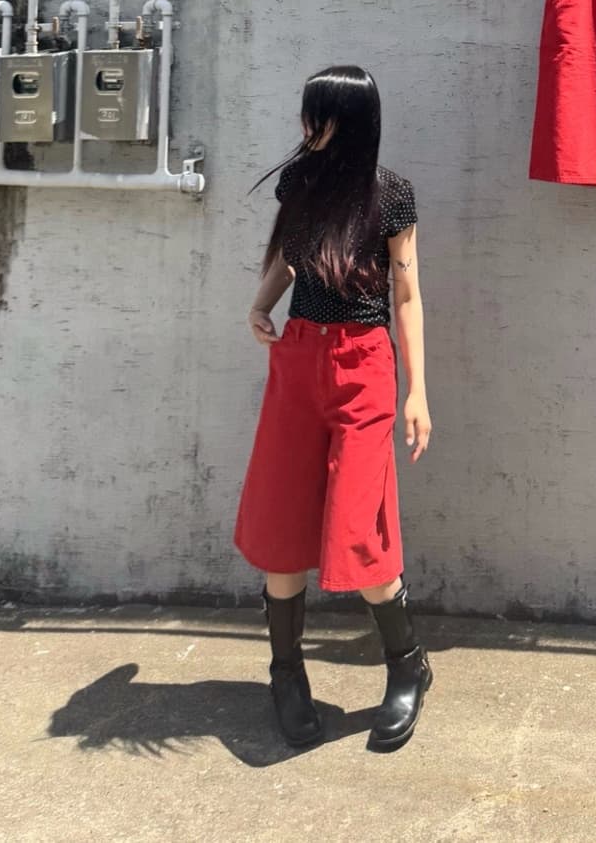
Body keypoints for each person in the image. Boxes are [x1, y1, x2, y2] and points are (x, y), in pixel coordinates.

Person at [234, 65, 433, 752]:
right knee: (282, 522)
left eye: (315, 114)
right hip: (298, 359)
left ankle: (407, 665)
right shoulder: (299, 182)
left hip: (362, 366)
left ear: (347, 121)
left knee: (361, 529)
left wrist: (417, 390)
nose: (304, 126)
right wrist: (260, 303)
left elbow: (406, 295)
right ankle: (285, 673)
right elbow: (292, 258)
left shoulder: (390, 195)